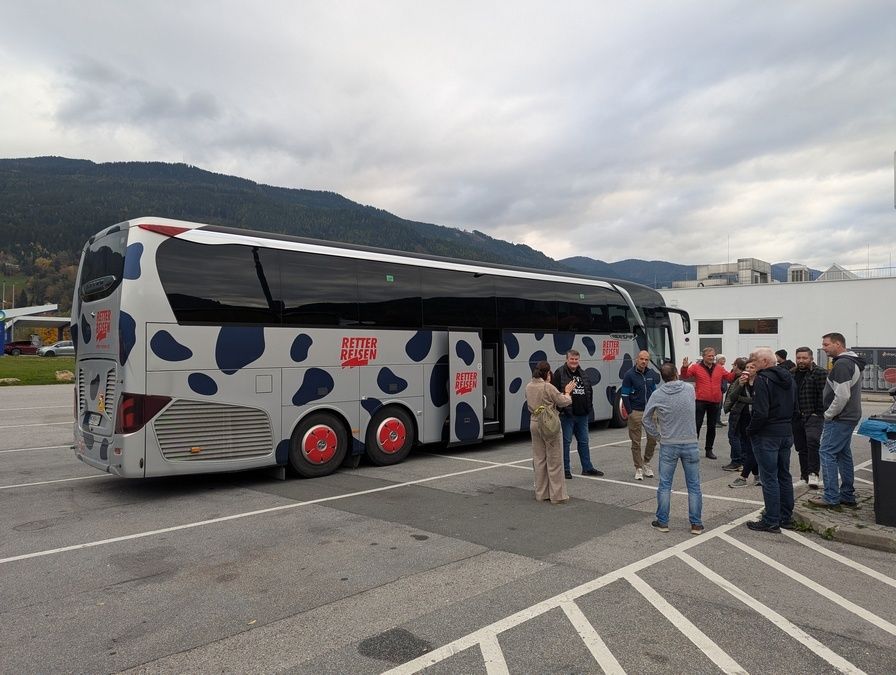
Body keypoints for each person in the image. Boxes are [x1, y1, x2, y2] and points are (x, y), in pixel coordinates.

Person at [642, 362, 704, 535]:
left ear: (662, 376)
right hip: (690, 441)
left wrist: (657, 436)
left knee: (665, 485)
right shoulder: (689, 389)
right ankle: (696, 524)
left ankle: (663, 522)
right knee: (694, 486)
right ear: (676, 373)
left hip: (669, 443)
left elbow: (646, 419)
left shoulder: (657, 394)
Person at [808, 333, 866, 509]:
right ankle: (847, 494)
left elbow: (842, 395)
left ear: (838, 344)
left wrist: (828, 414)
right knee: (843, 454)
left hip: (840, 417)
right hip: (849, 416)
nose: (823, 348)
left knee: (826, 453)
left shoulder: (842, 364)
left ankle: (831, 497)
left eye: (826, 345)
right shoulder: (852, 362)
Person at [745, 348, 797, 533]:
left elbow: (760, 412)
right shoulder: (789, 377)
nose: (753, 363)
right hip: (785, 431)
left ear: (765, 361)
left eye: (755, 360)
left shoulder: (763, 379)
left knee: (769, 478)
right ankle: (786, 516)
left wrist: (750, 430)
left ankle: (771, 519)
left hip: (767, 434)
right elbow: (795, 406)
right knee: (784, 475)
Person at [526, 361, 576, 504]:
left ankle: (541, 493)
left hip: (534, 422)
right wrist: (567, 392)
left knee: (539, 458)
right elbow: (563, 401)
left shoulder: (529, 386)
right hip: (549, 423)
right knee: (554, 459)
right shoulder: (548, 387)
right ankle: (557, 495)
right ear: (547, 373)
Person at [553, 350, 604, 479]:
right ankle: (565, 469)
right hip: (567, 415)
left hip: (582, 415)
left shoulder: (583, 373)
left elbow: (589, 391)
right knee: (566, 443)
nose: (574, 362)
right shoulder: (559, 373)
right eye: (572, 359)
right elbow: (555, 393)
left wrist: (589, 408)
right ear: (567, 359)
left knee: (584, 442)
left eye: (576, 359)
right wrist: (561, 410)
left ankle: (587, 468)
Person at [680, 347, 737, 459]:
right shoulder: (696, 367)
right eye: (709, 356)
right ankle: (692, 449)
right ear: (704, 356)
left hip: (715, 401)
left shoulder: (719, 368)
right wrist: (685, 367)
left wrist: (735, 370)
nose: (711, 358)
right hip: (700, 400)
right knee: (697, 425)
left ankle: (709, 450)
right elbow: (685, 376)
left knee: (712, 427)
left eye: (713, 356)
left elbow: (730, 378)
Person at [791, 346, 828, 488]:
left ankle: (814, 474)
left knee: (812, 443)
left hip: (813, 415)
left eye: (804, 358)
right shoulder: (792, 373)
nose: (801, 360)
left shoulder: (820, 373)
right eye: (799, 357)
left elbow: (824, 395)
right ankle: (804, 476)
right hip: (796, 416)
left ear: (811, 358)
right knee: (801, 447)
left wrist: (817, 412)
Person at [620, 350, 659, 480]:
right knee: (636, 442)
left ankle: (646, 462)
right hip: (635, 412)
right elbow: (624, 395)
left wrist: (656, 407)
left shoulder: (651, 373)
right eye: (641, 359)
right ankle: (638, 468)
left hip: (650, 411)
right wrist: (630, 413)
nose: (644, 362)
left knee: (653, 439)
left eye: (646, 359)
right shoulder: (629, 375)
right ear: (637, 359)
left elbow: (654, 391)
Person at [728, 358, 761, 488]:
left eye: (752, 368)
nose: (748, 370)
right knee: (748, 448)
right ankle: (758, 476)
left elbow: (757, 400)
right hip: (743, 418)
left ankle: (743, 476)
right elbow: (732, 397)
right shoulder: (740, 381)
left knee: (752, 448)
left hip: (756, 418)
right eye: (747, 368)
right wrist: (741, 385)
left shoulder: (760, 382)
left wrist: (744, 399)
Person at [721, 357, 747, 471]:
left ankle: (737, 461)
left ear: (737, 366)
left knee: (734, 436)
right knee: (740, 437)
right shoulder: (739, 377)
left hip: (738, 411)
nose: (732, 367)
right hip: (740, 411)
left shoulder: (741, 379)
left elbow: (735, 396)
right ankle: (742, 461)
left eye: (734, 365)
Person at [715, 355, 728, 427]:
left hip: (722, 390)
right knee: (717, 406)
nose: (724, 360)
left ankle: (718, 420)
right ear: (718, 360)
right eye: (722, 359)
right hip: (718, 390)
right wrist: (721, 387)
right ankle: (715, 421)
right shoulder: (717, 368)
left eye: (724, 359)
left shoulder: (722, 368)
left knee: (719, 406)